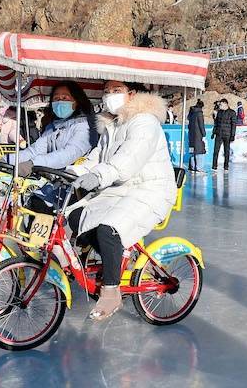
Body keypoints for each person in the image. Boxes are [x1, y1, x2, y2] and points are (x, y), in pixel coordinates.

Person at [66, 80, 176, 321]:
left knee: (109, 230)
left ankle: (111, 291)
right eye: (106, 92)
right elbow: (96, 158)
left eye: (116, 91)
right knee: (76, 215)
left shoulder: (145, 122)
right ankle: (114, 258)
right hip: (121, 189)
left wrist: (99, 176)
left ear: (132, 94)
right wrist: (69, 174)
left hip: (150, 189)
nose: (109, 96)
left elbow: (129, 160)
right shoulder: (112, 124)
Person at [17, 81, 97, 175]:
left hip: (74, 180)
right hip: (52, 178)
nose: (60, 102)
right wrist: (8, 159)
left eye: (65, 98)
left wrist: (33, 163)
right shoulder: (53, 126)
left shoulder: (84, 126)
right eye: (56, 98)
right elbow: (35, 150)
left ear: (76, 102)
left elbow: (68, 154)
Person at [212, 98, 236, 171]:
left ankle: (226, 167)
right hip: (219, 134)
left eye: (221, 104)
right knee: (216, 151)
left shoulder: (232, 112)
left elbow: (234, 124)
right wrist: (214, 132)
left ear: (226, 104)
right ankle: (214, 166)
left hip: (227, 135)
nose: (220, 106)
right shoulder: (219, 112)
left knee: (226, 151)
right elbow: (216, 123)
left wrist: (232, 135)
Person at [188, 100, 206, 173]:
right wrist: (204, 134)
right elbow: (201, 125)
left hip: (191, 136)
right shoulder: (199, 114)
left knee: (192, 152)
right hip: (198, 136)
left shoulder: (191, 113)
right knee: (199, 152)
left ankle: (192, 167)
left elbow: (189, 125)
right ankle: (199, 168)